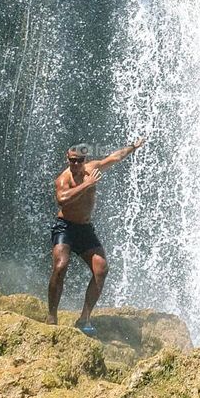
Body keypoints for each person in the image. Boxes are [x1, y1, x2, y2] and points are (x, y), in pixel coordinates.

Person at [47, 139, 145, 333]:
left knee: (101, 269)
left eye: (79, 160)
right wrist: (88, 184)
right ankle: (52, 316)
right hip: (65, 227)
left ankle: (84, 319)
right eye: (72, 160)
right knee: (60, 266)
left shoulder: (92, 168)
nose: (76, 164)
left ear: (85, 160)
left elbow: (114, 157)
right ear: (68, 159)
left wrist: (133, 147)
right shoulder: (63, 179)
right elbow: (62, 200)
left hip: (84, 229)